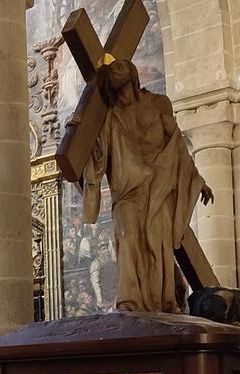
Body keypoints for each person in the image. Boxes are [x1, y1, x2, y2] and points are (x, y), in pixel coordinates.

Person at [77, 58, 213, 313]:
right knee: (128, 240)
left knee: (157, 244)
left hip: (159, 187)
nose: (115, 71)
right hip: (127, 190)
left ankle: (162, 302)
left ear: (132, 72)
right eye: (111, 71)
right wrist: (79, 130)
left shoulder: (158, 103)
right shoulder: (110, 116)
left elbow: (177, 144)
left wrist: (197, 179)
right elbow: (98, 152)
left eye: (120, 66)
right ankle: (129, 301)